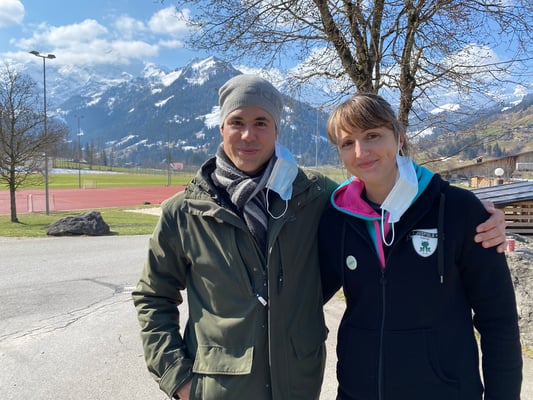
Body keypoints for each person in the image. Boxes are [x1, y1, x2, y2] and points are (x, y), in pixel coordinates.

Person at [132, 75, 507, 400]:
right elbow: (152, 296)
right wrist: (177, 377)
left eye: (261, 122)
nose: (248, 134)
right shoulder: (183, 211)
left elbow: (386, 187)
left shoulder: (314, 196)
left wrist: (481, 215)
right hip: (218, 389)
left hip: (297, 386)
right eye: (237, 122)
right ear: (221, 129)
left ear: (276, 130)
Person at [318, 93, 522, 400]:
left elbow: (498, 321)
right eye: (348, 143)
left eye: (372, 135)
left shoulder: (459, 210)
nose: (361, 151)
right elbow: (304, 297)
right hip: (357, 392)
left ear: (399, 137)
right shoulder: (338, 217)